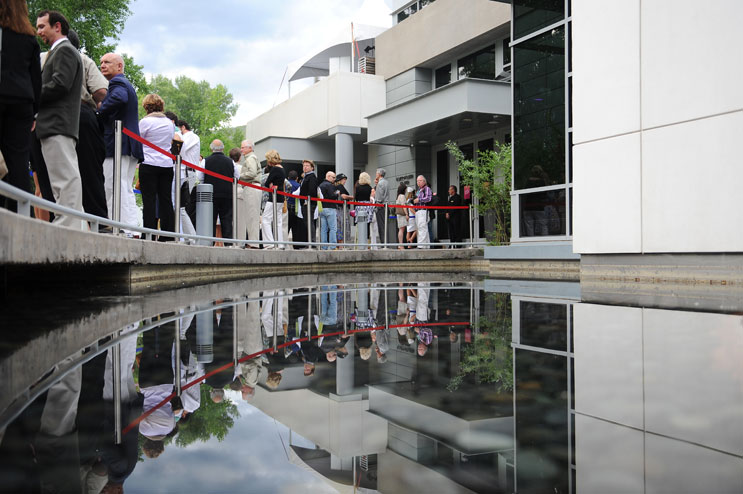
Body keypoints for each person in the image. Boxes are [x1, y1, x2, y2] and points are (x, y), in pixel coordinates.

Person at [35, 9, 85, 230]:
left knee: (64, 178)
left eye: (42, 26)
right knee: (63, 177)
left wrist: (31, 93)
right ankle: (76, 224)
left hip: (57, 124)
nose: (39, 32)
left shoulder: (64, 51)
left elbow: (60, 84)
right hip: (56, 124)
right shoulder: (63, 51)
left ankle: (68, 226)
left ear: (57, 26)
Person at [0, 0, 41, 213]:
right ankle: (19, 215)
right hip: (22, 102)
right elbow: (36, 79)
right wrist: (34, 112)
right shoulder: (29, 38)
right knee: (18, 161)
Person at [98, 52, 144, 235]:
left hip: (118, 143)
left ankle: (118, 227)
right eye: (101, 62)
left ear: (119, 66)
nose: (102, 65)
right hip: (129, 144)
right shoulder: (126, 84)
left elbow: (119, 98)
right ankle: (131, 228)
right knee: (124, 187)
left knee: (112, 186)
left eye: (107, 62)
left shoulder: (117, 83)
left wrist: (100, 112)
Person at [138, 94, 175, 240]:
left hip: (149, 163)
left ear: (147, 106)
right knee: (166, 200)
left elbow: (138, 140)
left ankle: (149, 233)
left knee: (149, 200)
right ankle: (168, 234)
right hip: (166, 165)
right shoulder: (169, 123)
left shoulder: (144, 122)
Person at [201, 139, 234, 245]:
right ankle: (228, 243)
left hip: (211, 194)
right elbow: (236, 177)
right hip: (227, 193)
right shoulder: (230, 161)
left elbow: (200, 177)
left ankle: (209, 243)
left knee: (210, 219)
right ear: (223, 148)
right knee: (227, 219)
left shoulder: (205, 161)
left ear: (211, 148)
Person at [175, 119, 198, 236]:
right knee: (181, 207)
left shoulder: (191, 136)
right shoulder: (190, 137)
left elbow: (180, 148)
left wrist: (176, 135)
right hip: (185, 172)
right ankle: (189, 236)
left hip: (187, 173)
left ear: (182, 127)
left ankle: (189, 236)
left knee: (181, 206)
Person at [237, 140, 261, 247]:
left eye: (243, 147)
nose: (241, 150)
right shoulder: (251, 158)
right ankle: (252, 242)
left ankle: (253, 243)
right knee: (251, 216)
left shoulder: (251, 158)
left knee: (252, 216)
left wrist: (239, 176)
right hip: (251, 187)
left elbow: (252, 173)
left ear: (250, 148)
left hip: (252, 186)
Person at [261, 150, 286, 249]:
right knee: (278, 221)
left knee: (265, 219)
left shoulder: (275, 169)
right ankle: (280, 243)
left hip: (274, 197)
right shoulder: (282, 168)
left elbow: (267, 183)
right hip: (280, 197)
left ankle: (269, 243)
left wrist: (271, 184)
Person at [318, 170, 340, 250]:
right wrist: (337, 193)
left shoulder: (321, 185)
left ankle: (324, 246)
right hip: (330, 208)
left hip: (322, 208)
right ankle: (332, 246)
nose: (334, 179)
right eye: (333, 177)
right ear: (328, 177)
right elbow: (332, 196)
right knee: (333, 228)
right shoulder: (329, 185)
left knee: (323, 229)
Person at [298, 159, 318, 243]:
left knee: (309, 222)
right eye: (304, 166)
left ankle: (312, 242)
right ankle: (309, 241)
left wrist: (307, 201)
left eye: (307, 166)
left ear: (312, 168)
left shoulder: (311, 177)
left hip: (309, 203)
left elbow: (312, 190)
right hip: (305, 203)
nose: (305, 167)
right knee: (307, 222)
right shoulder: (306, 176)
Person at [413, 175, 432, 248]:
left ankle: (421, 246)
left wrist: (419, 199)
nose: (418, 182)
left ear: (424, 181)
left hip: (423, 210)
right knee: (420, 227)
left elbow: (428, 198)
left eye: (420, 181)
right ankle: (426, 246)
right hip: (418, 211)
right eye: (417, 181)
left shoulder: (427, 188)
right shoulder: (418, 190)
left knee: (422, 227)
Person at [286, 170, 304, 247]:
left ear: (288, 177)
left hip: (286, 208)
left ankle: (282, 244)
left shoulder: (285, 184)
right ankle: (296, 246)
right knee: (295, 229)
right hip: (295, 209)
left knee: (285, 227)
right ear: (297, 178)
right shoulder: (298, 186)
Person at [355, 172, 373, 246]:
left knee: (359, 224)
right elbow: (371, 199)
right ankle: (367, 242)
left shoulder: (357, 188)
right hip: (367, 206)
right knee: (367, 224)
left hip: (359, 206)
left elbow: (356, 198)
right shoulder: (370, 188)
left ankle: (359, 241)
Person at [335, 173, 353, 244]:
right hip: (341, 208)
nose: (345, 181)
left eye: (345, 179)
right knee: (342, 226)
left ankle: (340, 243)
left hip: (340, 208)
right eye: (343, 179)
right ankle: (340, 243)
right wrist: (351, 197)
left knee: (340, 225)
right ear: (339, 180)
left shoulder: (337, 186)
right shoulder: (340, 186)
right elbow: (343, 196)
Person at [374, 168, 389, 245]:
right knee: (385, 225)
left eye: (376, 173)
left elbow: (379, 197)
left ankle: (383, 243)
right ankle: (385, 242)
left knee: (381, 226)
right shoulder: (386, 182)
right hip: (386, 205)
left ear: (379, 174)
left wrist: (376, 205)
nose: (376, 174)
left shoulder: (380, 183)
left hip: (380, 206)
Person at [395, 182, 408, 249]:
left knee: (400, 229)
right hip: (402, 215)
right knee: (402, 229)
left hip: (398, 214)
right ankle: (401, 245)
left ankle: (400, 244)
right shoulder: (402, 196)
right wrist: (406, 214)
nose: (406, 190)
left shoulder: (398, 196)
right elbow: (404, 206)